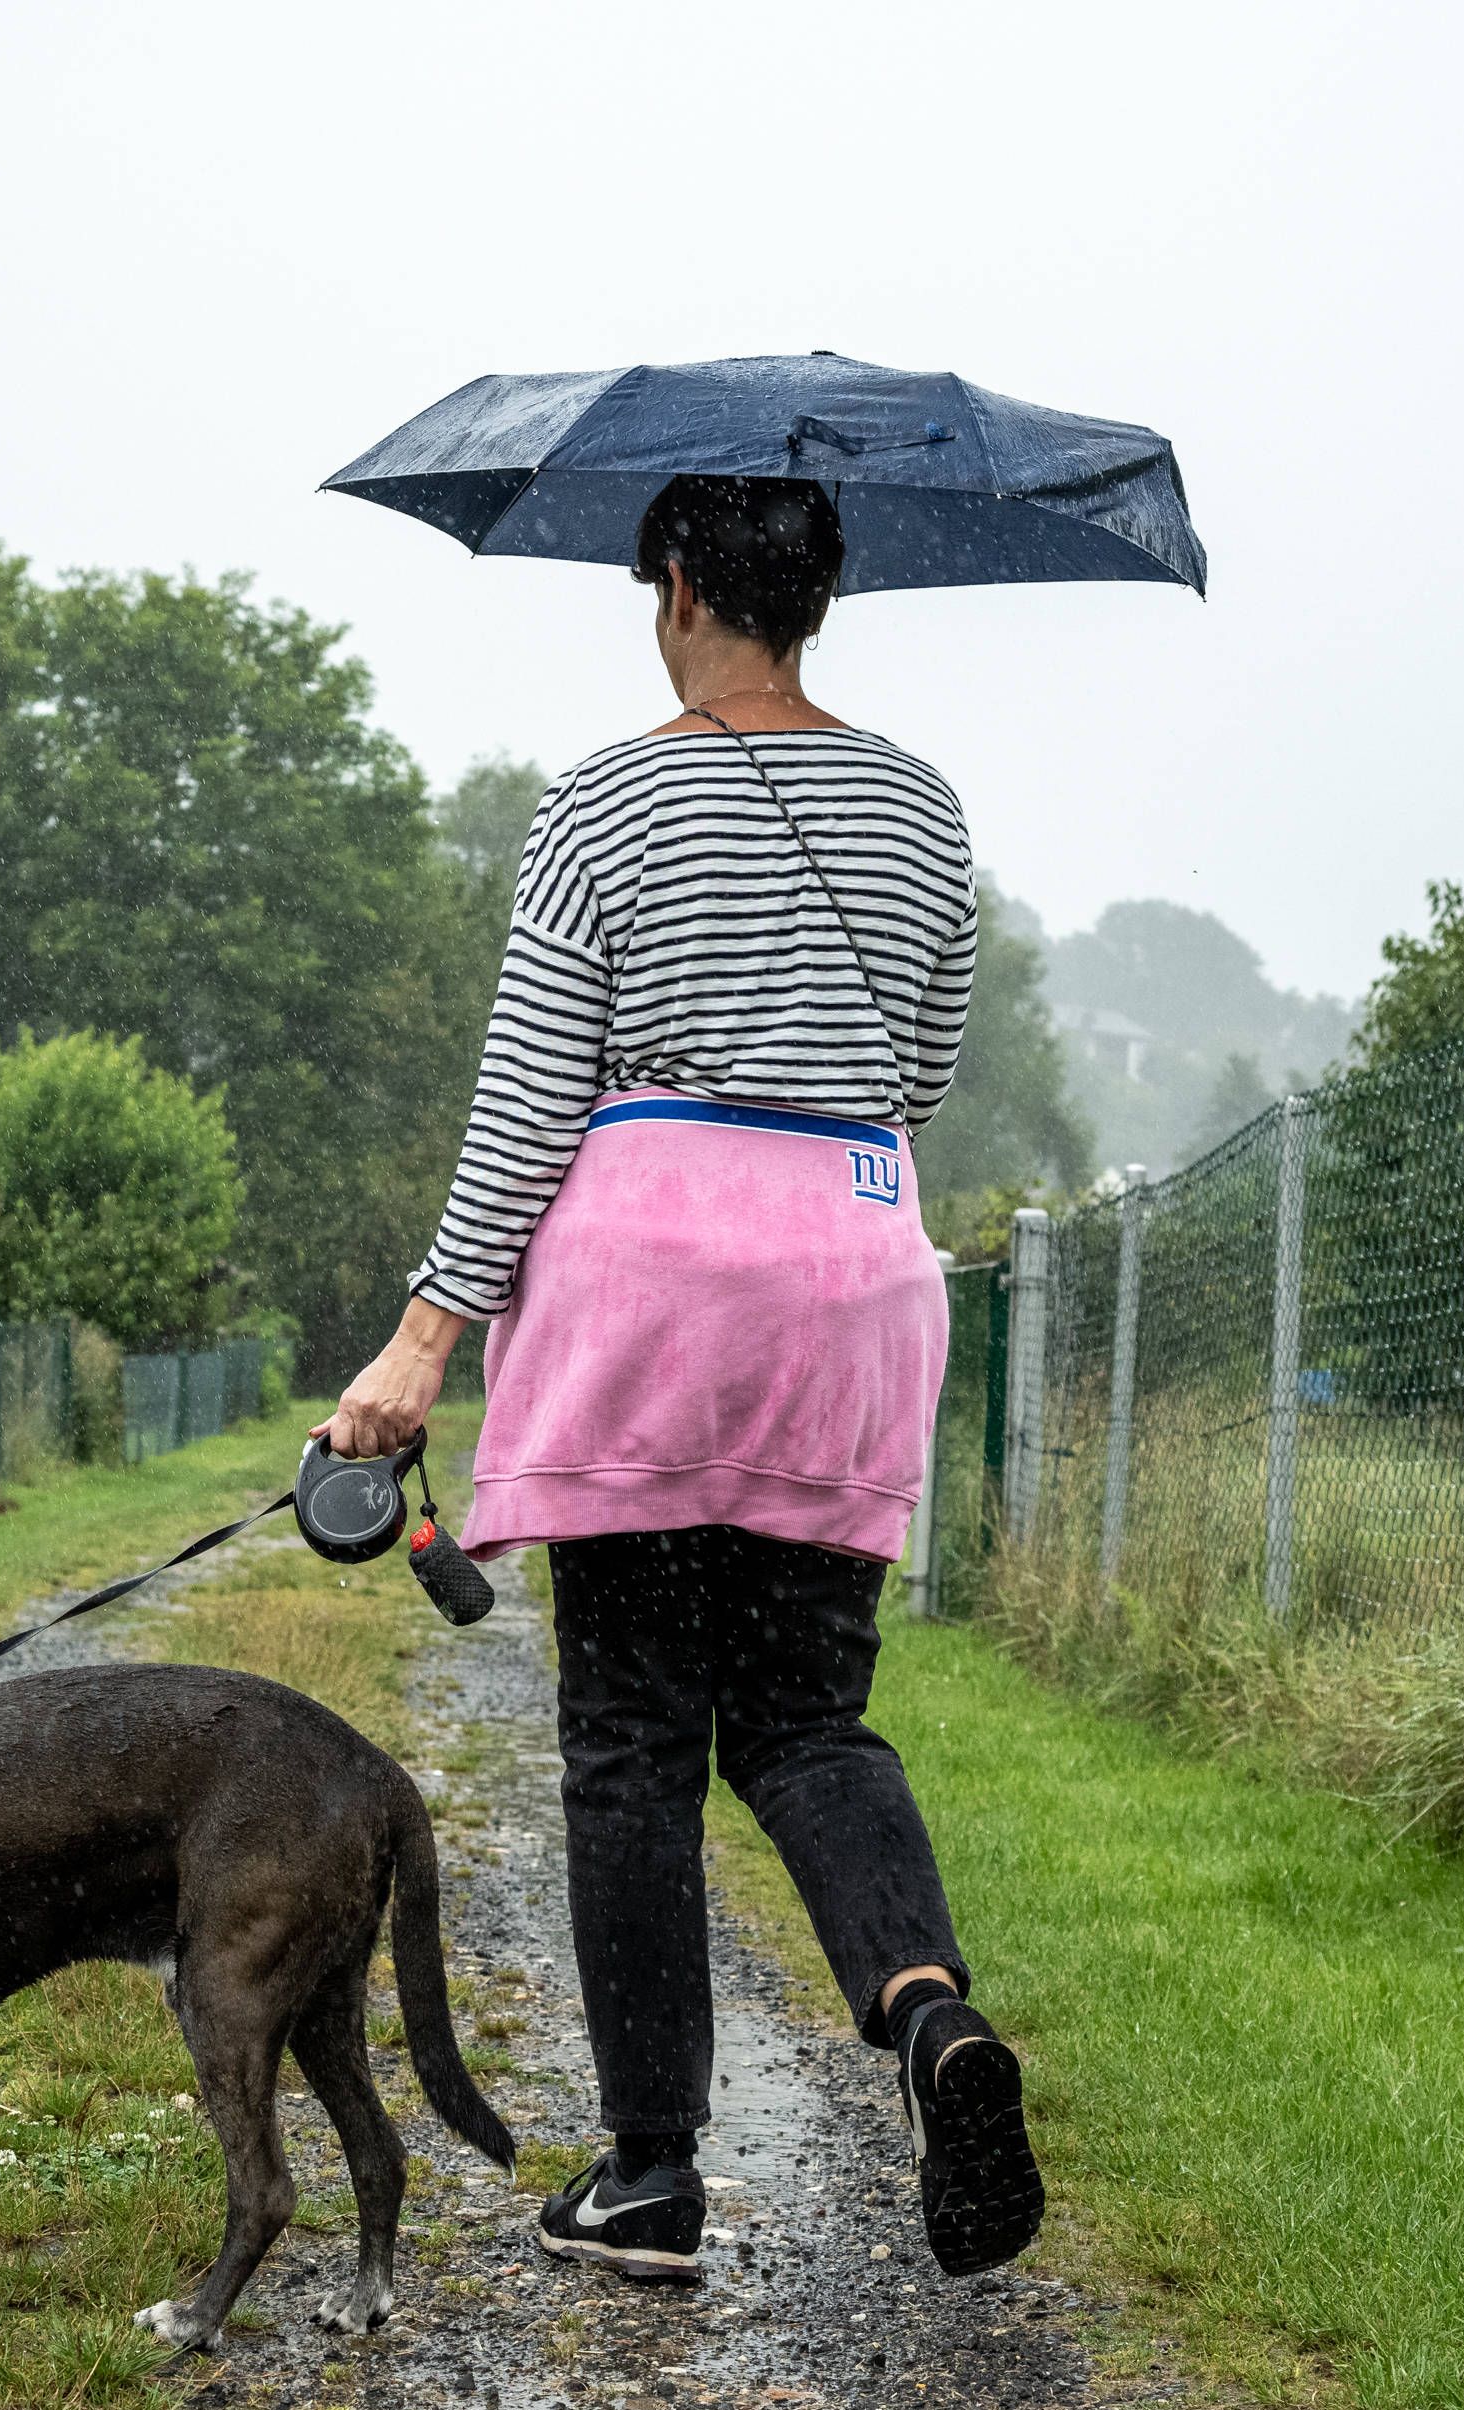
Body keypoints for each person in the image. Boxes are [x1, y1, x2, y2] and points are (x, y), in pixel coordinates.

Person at [321, 471, 1046, 2285]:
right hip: (851, 1282)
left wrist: (424, 1341)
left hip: (651, 1297)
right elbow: (922, 1072)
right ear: (821, 599)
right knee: (806, 1721)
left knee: (634, 1742)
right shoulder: (926, 805)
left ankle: (651, 2172)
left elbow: (530, 1093)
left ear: (673, 588)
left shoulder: (605, 798)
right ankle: (931, 2016)